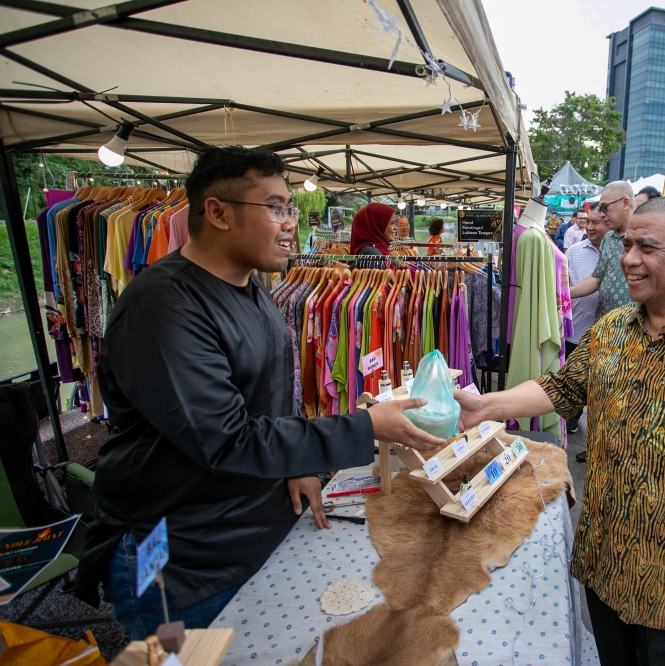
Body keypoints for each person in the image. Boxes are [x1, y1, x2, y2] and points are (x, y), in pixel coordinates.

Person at [75, 146, 445, 640]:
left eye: (289, 207)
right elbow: (224, 437)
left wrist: (298, 464)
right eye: (275, 208)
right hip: (175, 558)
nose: (290, 222)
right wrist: (365, 426)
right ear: (218, 213)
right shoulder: (163, 308)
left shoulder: (252, 287)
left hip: (254, 531)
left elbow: (271, 397)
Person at [455, 196, 665, 665]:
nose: (629, 259)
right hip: (604, 563)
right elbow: (563, 387)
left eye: (647, 247)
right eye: (627, 243)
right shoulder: (613, 330)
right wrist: (484, 406)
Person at [564, 209, 609, 445]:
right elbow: (563, 285)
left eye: (597, 223)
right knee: (574, 379)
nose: (590, 227)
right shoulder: (574, 252)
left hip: (608, 333)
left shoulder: (622, 251)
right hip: (578, 329)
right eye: (587, 222)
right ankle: (571, 419)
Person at [569, 181, 635, 320]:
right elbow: (597, 278)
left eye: (605, 208)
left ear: (626, 203)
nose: (602, 214)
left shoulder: (644, 237)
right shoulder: (609, 238)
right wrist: (564, 294)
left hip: (633, 326)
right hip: (604, 324)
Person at [349, 202, 396, 268]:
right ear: (377, 226)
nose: (395, 228)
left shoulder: (381, 250)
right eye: (392, 223)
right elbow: (356, 278)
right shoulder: (372, 255)